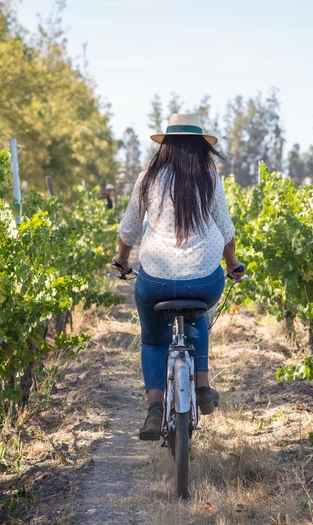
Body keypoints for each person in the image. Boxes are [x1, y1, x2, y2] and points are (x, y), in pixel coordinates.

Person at [113, 113, 244, 441]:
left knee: (153, 338)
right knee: (199, 311)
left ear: (166, 146)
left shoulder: (148, 178)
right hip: (204, 279)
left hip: (155, 279)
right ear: (201, 146)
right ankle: (202, 385)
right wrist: (232, 264)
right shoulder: (209, 178)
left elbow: (129, 227)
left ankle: (154, 408)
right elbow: (226, 230)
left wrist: (121, 259)